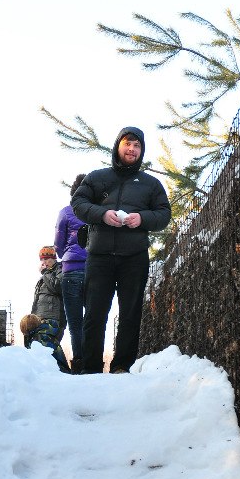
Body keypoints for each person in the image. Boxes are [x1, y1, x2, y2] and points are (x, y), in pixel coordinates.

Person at [71, 126, 171, 374]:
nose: (132, 149)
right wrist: (102, 214)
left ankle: (122, 366)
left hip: (134, 257)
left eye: (137, 146)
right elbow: (78, 203)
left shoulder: (151, 184)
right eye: (128, 143)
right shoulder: (96, 177)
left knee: (130, 313)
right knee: (94, 313)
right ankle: (91, 368)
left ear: (142, 150)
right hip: (99, 256)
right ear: (118, 146)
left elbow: (163, 214)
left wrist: (143, 218)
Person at [54, 174, 87, 373]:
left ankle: (79, 364)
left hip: (71, 270)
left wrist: (65, 254)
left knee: (75, 323)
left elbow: (58, 244)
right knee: (94, 320)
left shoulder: (66, 212)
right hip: (95, 271)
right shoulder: (98, 213)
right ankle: (94, 363)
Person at [31, 246, 66, 340]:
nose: (44, 262)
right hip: (40, 318)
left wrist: (45, 272)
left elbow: (58, 287)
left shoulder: (60, 269)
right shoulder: (45, 275)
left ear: (54, 258)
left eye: (46, 259)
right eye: (41, 259)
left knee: (48, 346)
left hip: (53, 319)